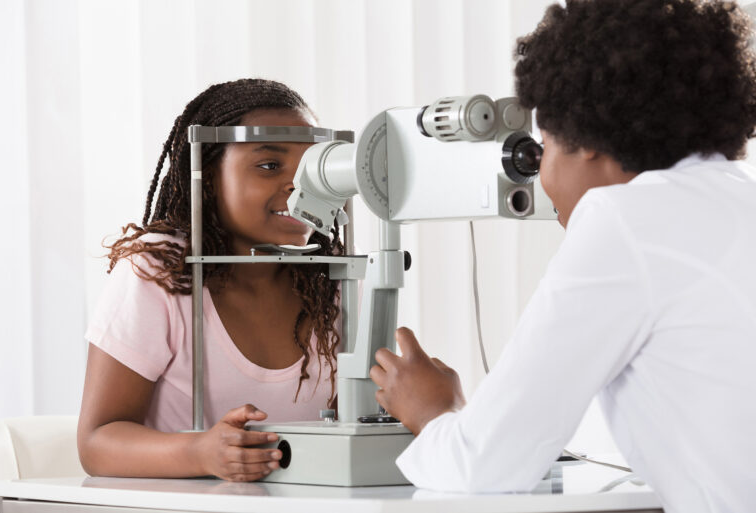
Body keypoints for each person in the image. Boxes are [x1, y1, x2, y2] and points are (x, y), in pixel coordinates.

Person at [370, 1, 756, 511]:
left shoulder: (624, 217)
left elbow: (484, 467)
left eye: (545, 145)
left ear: (585, 140)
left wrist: (433, 410)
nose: (541, 174)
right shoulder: (737, 198)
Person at [78, 79, 344, 482]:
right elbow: (96, 443)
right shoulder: (159, 271)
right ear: (207, 175)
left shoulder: (333, 279)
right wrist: (200, 453)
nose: (297, 184)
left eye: (312, 168)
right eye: (270, 166)